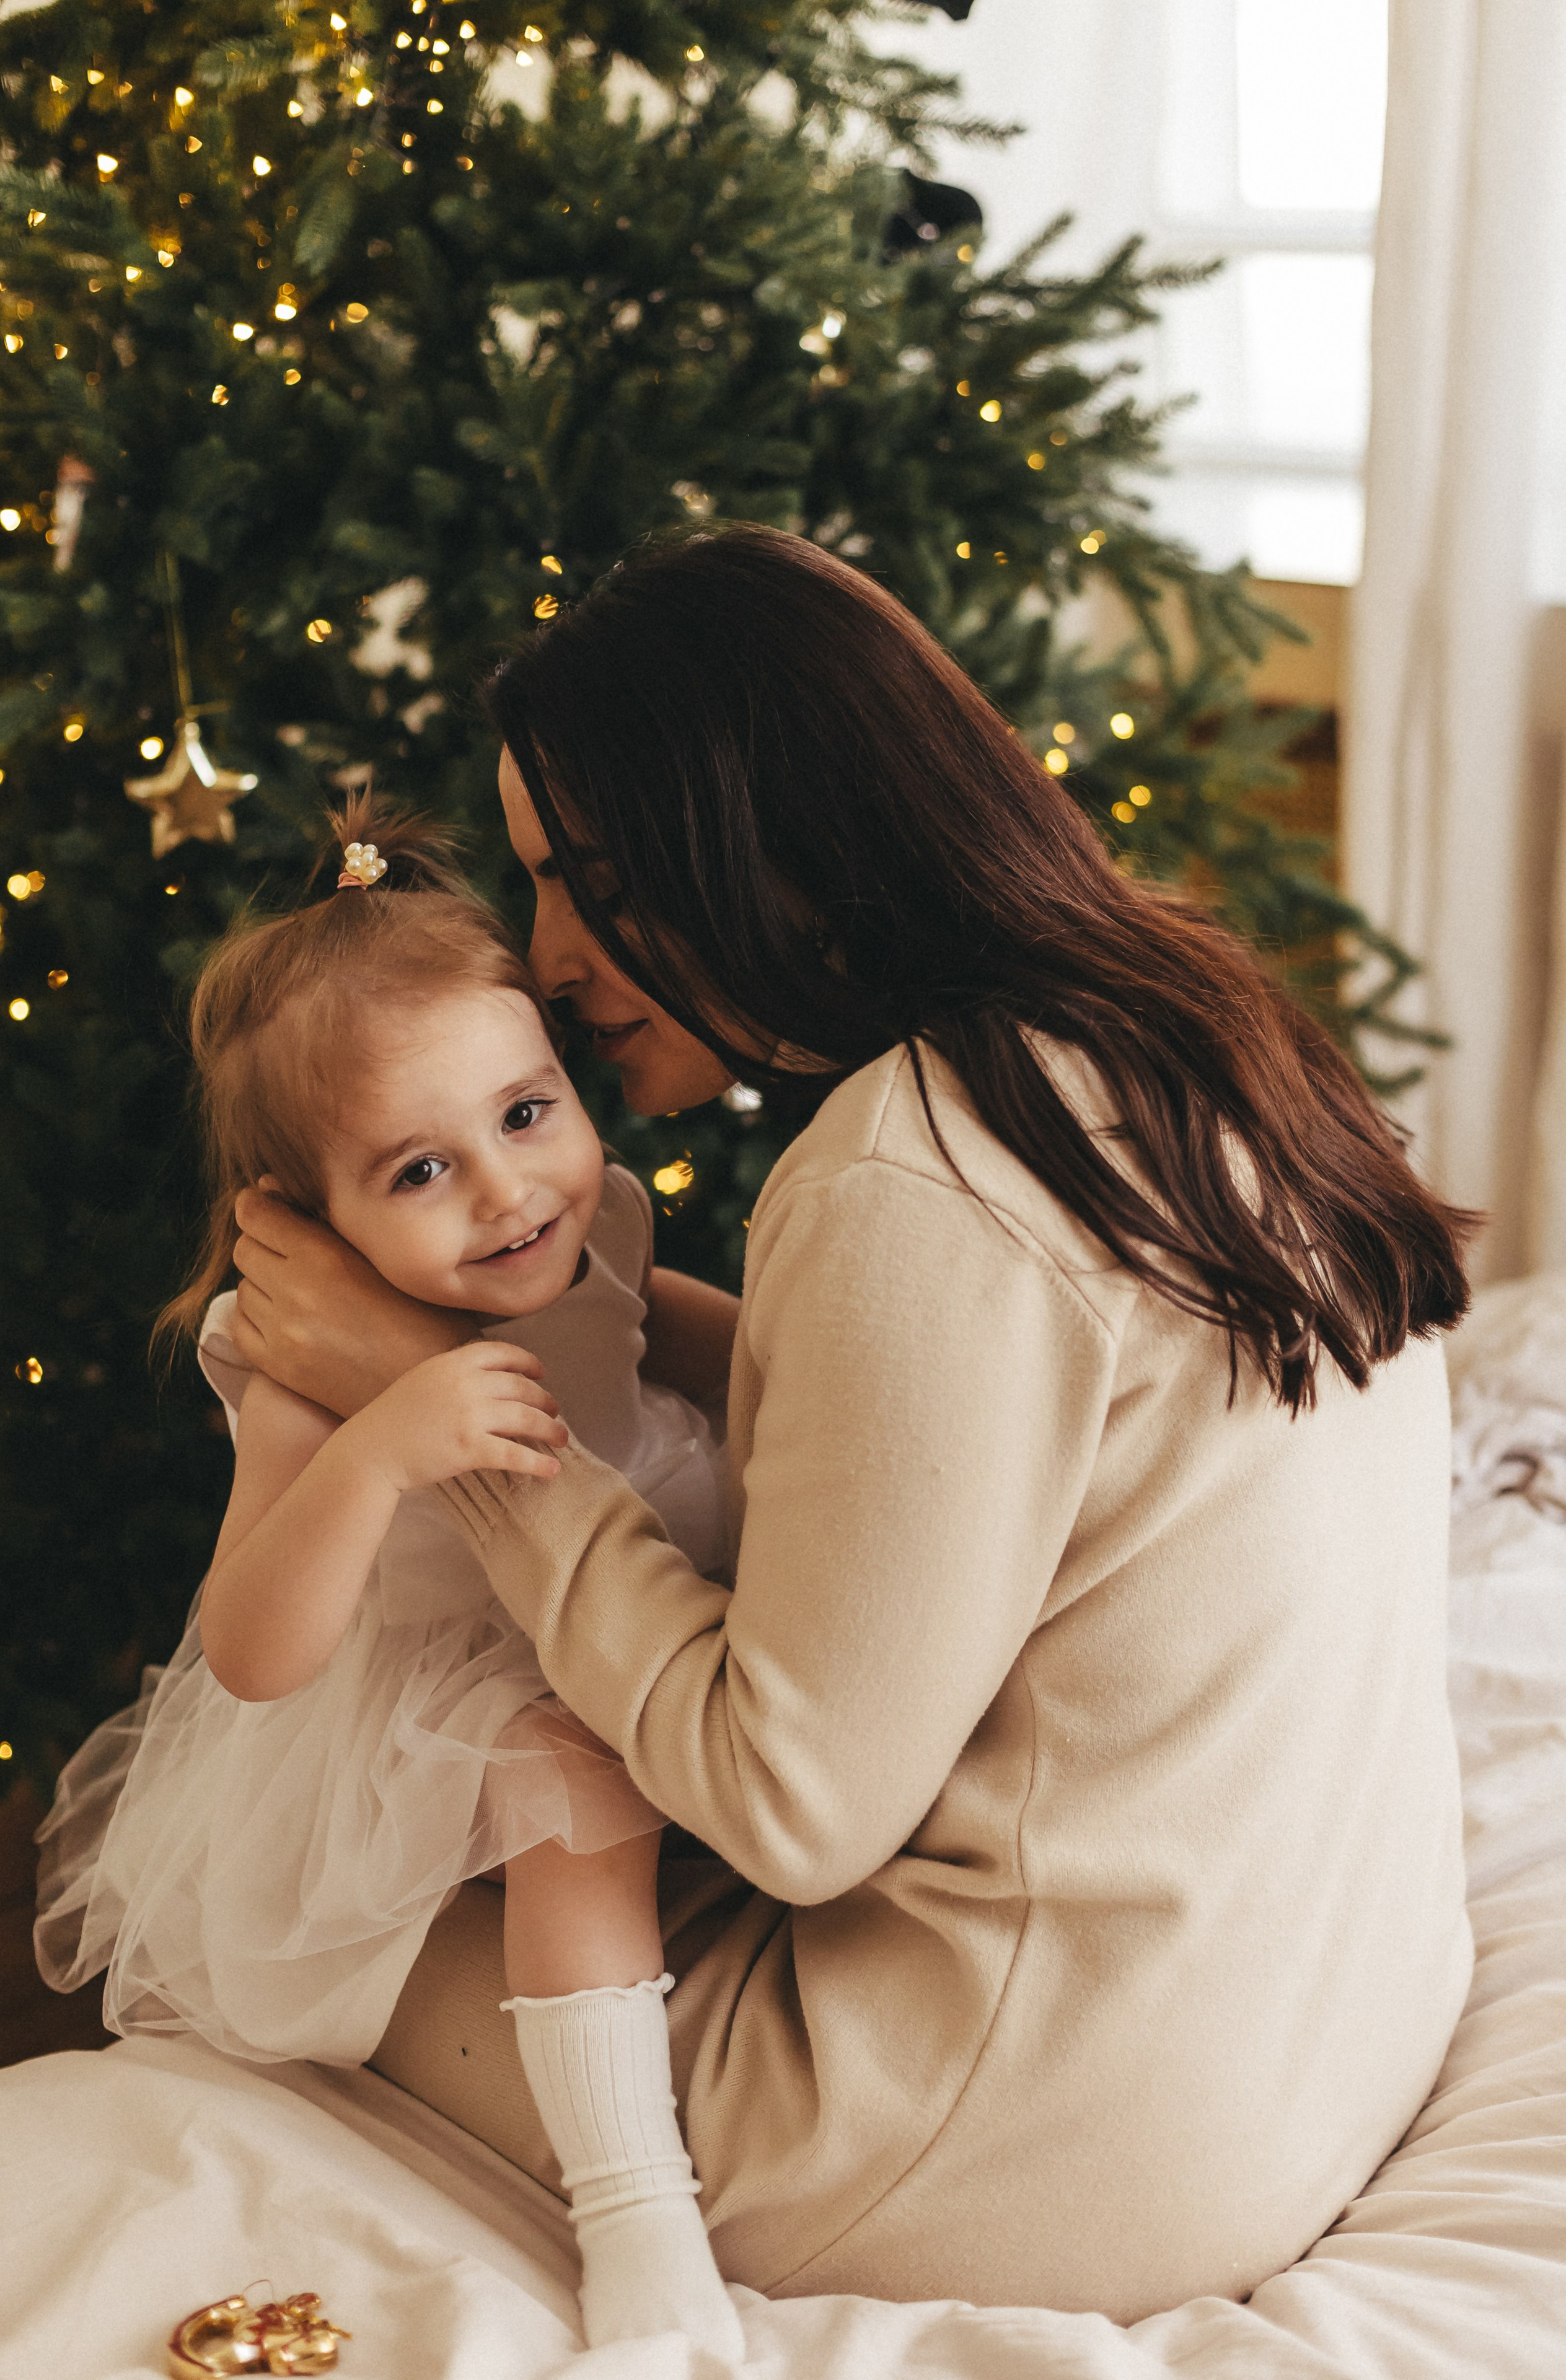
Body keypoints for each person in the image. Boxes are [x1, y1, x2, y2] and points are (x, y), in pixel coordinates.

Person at [222, 526, 1477, 2324]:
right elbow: (949, 1450)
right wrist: (602, 1313)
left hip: (1046, 2141)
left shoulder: (917, 1169)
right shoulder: (1176, 1028)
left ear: (756, 834)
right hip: (1327, 2011)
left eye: (582, 879)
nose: (553, 957)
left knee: (283, 1926)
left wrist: (452, 1426)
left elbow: (790, 1803)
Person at [33, 804, 746, 2364]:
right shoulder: (299, 1356)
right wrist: (376, 1452)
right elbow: (255, 1651)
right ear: (308, 1217)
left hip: (643, 1605)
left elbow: (687, 1341)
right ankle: (635, 2211)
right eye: (421, 1167)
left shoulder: (592, 1213)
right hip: (442, 1697)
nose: (508, 1191)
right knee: (573, 1774)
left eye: (528, 1110)